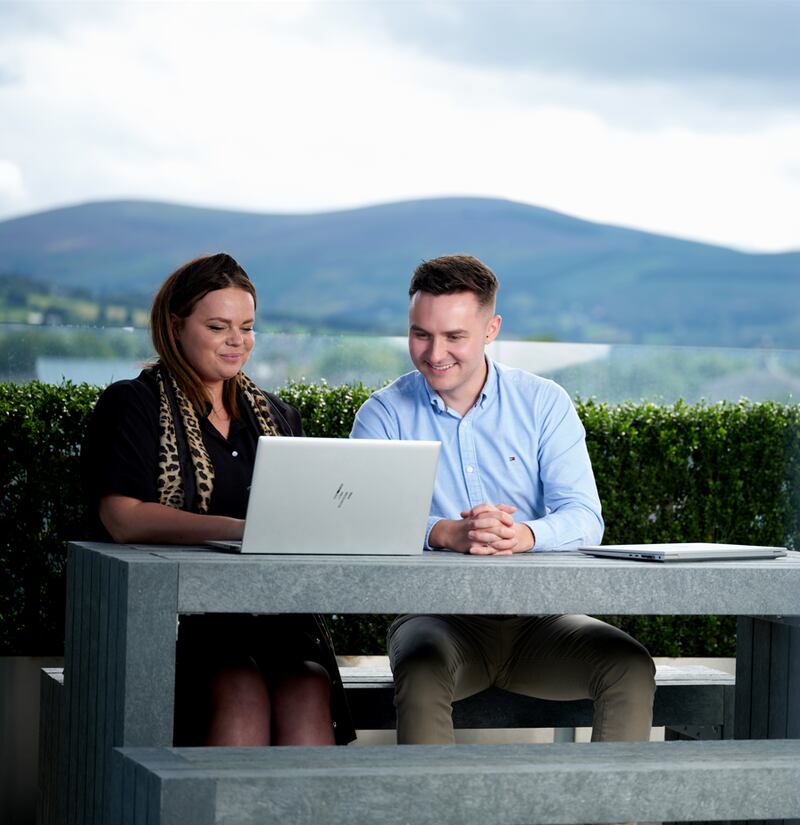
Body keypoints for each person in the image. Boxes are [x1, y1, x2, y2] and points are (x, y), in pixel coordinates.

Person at [350, 254, 655, 744]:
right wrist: (444, 532)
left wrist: (524, 535)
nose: (435, 353)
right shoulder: (382, 415)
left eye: (454, 336)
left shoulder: (544, 402)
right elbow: (360, 520)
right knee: (422, 673)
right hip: (436, 619)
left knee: (630, 667)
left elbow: (584, 516)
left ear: (491, 329)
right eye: (421, 334)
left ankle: (611, 800)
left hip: (543, 622)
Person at [82, 252, 354, 747]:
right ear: (176, 326)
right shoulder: (133, 404)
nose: (237, 341)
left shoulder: (278, 416)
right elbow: (123, 518)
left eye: (246, 327)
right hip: (178, 619)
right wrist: (238, 529)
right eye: (217, 326)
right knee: (239, 690)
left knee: (307, 687)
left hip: (275, 615)